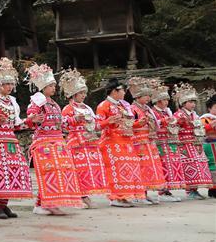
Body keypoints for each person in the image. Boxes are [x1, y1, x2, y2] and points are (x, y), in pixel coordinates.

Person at [24, 63, 83, 215]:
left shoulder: (54, 104)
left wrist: (74, 119)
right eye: (50, 85)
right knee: (49, 172)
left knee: (60, 171)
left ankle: (43, 204)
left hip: (58, 142)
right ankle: (47, 204)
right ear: (43, 87)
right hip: (44, 143)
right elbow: (31, 119)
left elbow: (61, 123)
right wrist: (33, 119)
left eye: (54, 85)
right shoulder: (37, 101)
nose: (53, 88)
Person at [0, 57, 33, 219]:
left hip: (10, 141)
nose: (10, 87)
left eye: (11, 83)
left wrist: (30, 121)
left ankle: (4, 204)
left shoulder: (12, 103)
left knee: (11, 172)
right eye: (6, 84)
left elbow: (16, 125)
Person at [59, 69, 109, 208]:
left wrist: (107, 122)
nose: (83, 95)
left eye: (84, 93)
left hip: (90, 142)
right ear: (74, 94)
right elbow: (62, 125)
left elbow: (96, 125)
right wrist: (74, 119)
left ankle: (85, 195)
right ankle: (79, 197)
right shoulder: (68, 108)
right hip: (76, 143)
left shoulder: (87, 108)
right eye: (81, 93)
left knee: (88, 169)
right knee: (78, 170)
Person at [96, 78, 145, 207]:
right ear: (114, 91)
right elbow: (96, 125)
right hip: (111, 142)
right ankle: (115, 197)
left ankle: (125, 196)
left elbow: (127, 124)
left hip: (126, 142)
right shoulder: (103, 106)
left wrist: (137, 124)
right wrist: (108, 121)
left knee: (128, 169)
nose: (124, 93)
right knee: (115, 170)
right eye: (122, 90)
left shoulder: (123, 105)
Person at [128, 77, 166, 205]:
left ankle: (145, 193)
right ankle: (139, 194)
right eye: (146, 96)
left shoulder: (147, 109)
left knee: (149, 167)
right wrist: (139, 123)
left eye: (149, 96)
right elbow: (128, 124)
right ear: (138, 96)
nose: (148, 98)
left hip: (148, 141)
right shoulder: (132, 109)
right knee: (141, 167)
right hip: (138, 142)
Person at [172, 82, 211, 200]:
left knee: (199, 165)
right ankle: (189, 190)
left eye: (194, 102)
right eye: (190, 102)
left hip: (196, 144)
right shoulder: (178, 114)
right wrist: (179, 123)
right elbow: (173, 128)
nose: (193, 104)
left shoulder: (195, 115)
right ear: (183, 103)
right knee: (188, 165)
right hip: (185, 145)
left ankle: (195, 189)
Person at [150, 81, 186, 202]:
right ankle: (162, 191)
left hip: (169, 141)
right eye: (164, 100)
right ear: (158, 101)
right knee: (162, 165)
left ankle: (167, 190)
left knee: (171, 165)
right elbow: (153, 125)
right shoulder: (153, 112)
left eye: (167, 99)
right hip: (159, 142)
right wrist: (163, 122)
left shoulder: (167, 111)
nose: (166, 102)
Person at [201, 93, 216, 198]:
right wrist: (210, 125)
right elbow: (200, 130)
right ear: (209, 108)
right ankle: (213, 188)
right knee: (213, 165)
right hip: (210, 144)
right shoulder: (205, 119)